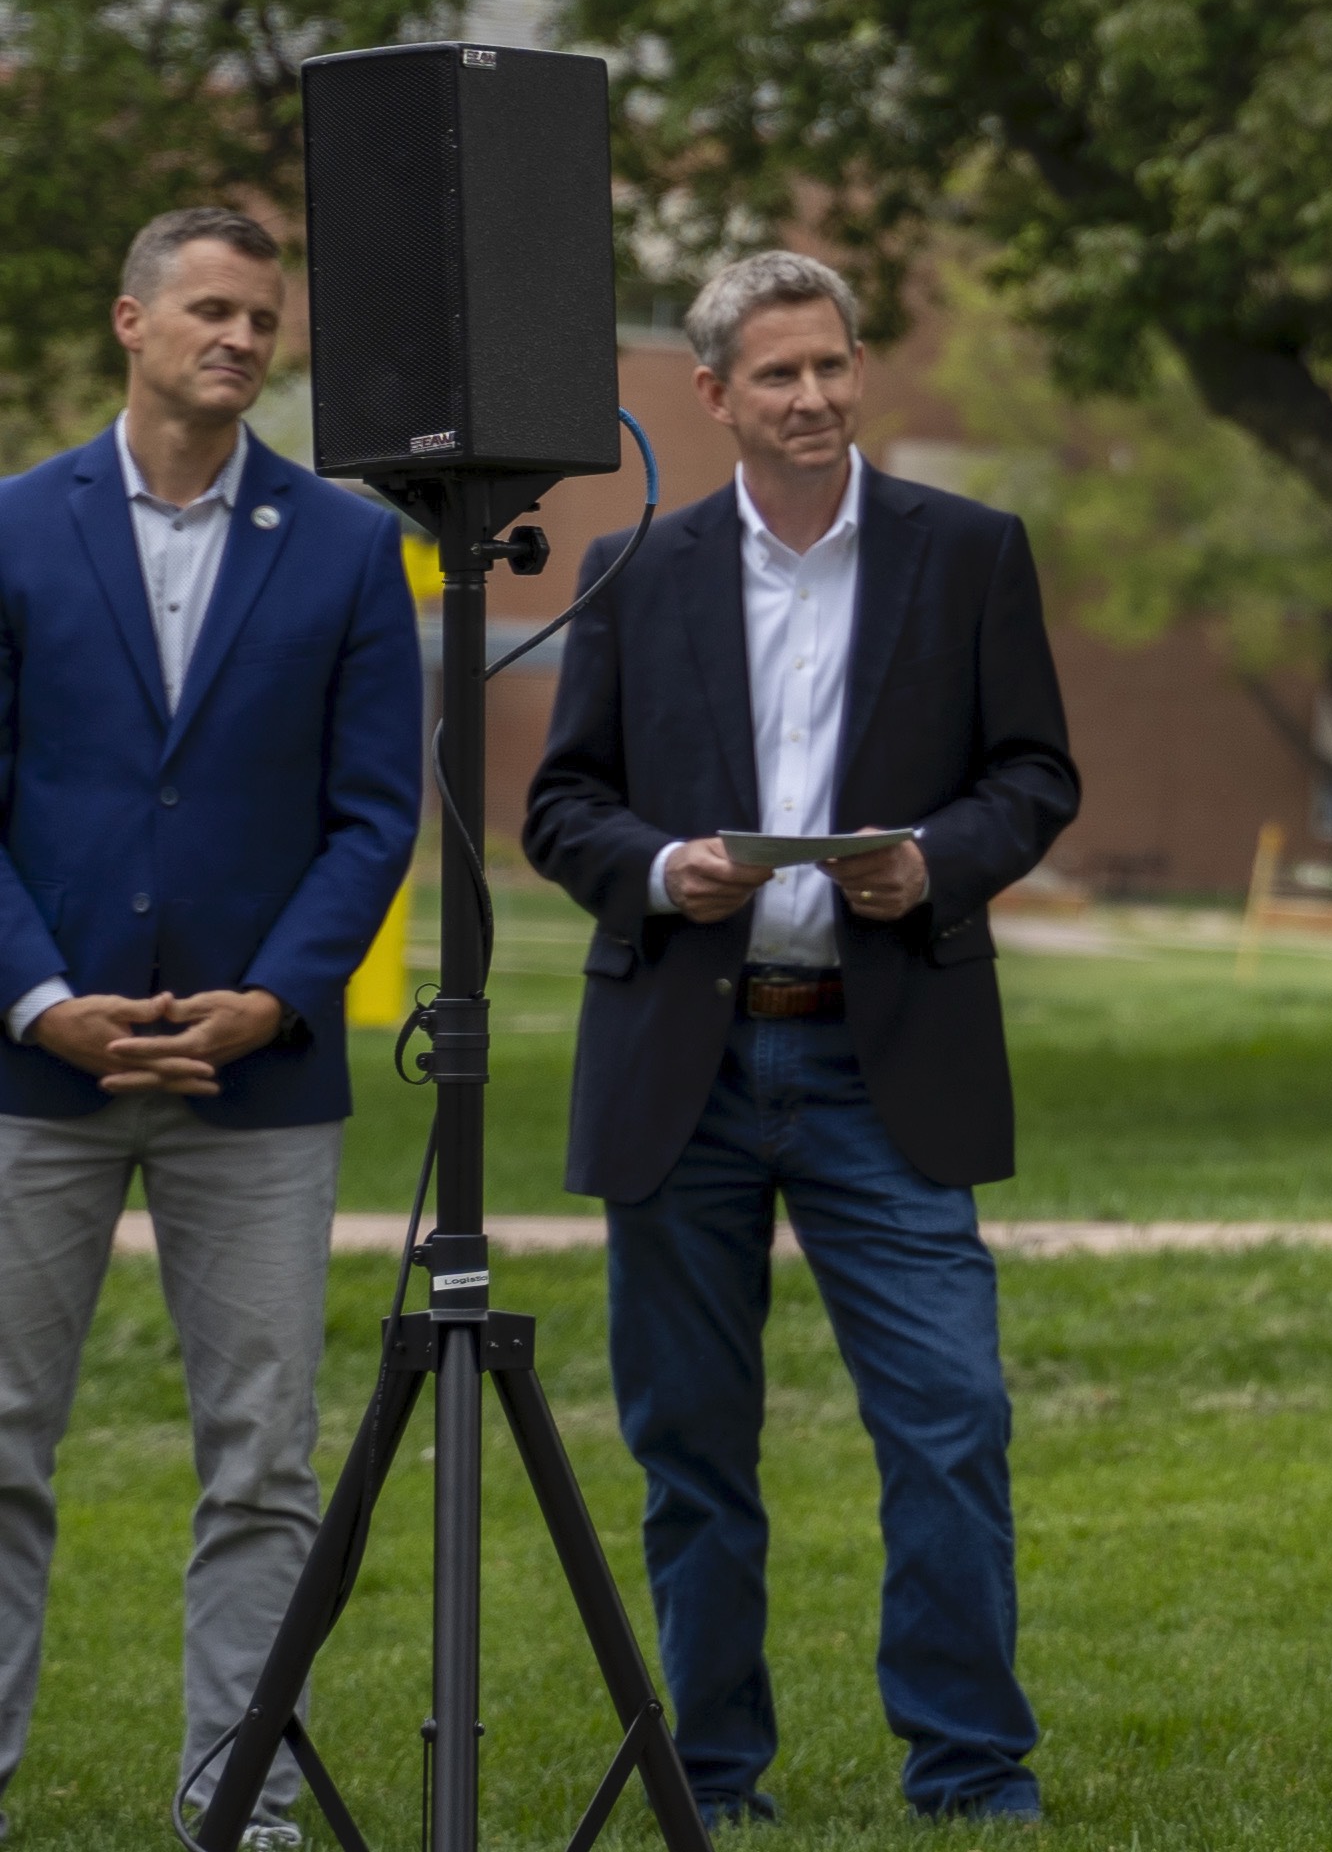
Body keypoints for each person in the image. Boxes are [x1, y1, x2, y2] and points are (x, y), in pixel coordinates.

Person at [521, 251, 1079, 1826]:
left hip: (878, 1058)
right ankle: (712, 1774)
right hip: (682, 1066)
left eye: (833, 365)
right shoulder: (636, 571)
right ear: (714, 396)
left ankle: (970, 1770)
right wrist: (660, 868)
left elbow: (1034, 774)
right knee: (692, 1448)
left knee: (952, 1423)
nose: (816, 397)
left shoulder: (969, 555)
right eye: (779, 375)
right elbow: (562, 807)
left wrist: (937, 862)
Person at [0, 208, 421, 1850]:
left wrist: (274, 997)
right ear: (130, 318)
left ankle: (235, 1793)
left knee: (262, 1456)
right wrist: (45, 1000)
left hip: (262, 1080)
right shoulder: (18, 527)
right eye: (211, 310)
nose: (240, 337)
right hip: (35, 1061)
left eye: (263, 317)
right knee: (3, 1443)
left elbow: (375, 810)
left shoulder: (339, 541)